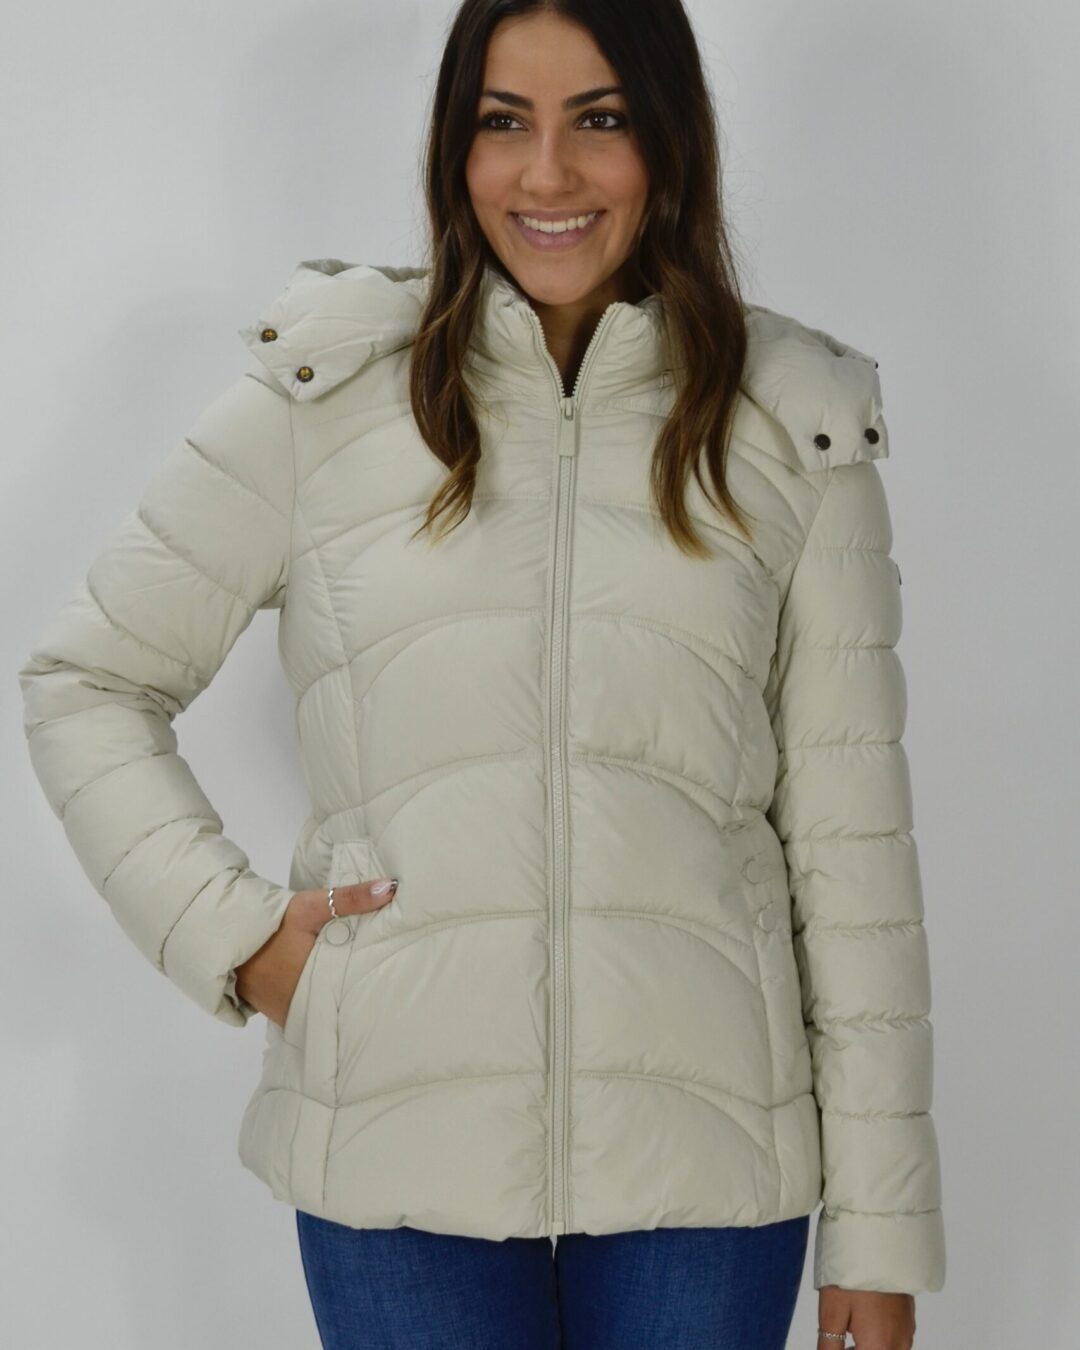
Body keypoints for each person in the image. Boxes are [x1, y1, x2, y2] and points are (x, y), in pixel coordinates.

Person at [16, 1, 945, 1346]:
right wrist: (238, 939)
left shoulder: (789, 424)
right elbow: (87, 681)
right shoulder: (328, 399)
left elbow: (855, 857)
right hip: (396, 1150)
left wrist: (880, 1225)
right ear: (457, 149)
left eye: (600, 119)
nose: (547, 173)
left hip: (709, 1167)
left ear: (670, 141)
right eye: (505, 122)